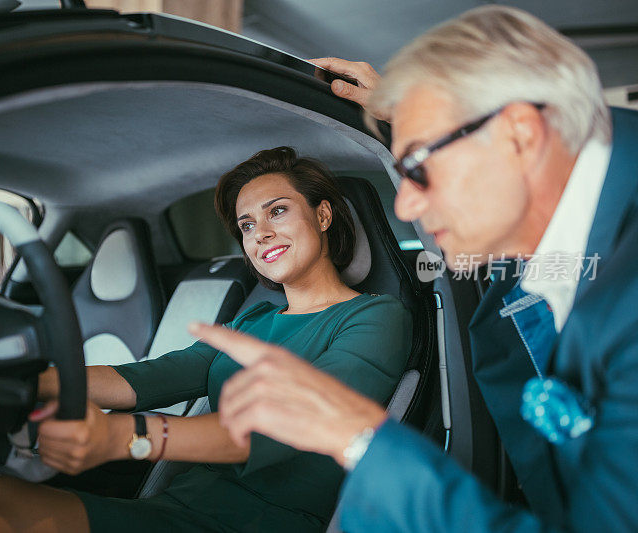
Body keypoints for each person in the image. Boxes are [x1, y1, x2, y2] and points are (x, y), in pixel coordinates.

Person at [195, 5, 638, 532]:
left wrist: (359, 435)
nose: (404, 208)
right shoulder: (546, 254)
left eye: (418, 166)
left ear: (520, 134)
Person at [0, 146, 412, 533]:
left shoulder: (374, 317)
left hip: (268, 523)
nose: (261, 233)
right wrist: (33, 383)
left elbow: (292, 425)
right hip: (180, 506)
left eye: (278, 211)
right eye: (247, 225)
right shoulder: (255, 322)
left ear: (323, 215)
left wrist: (126, 437)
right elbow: (146, 378)